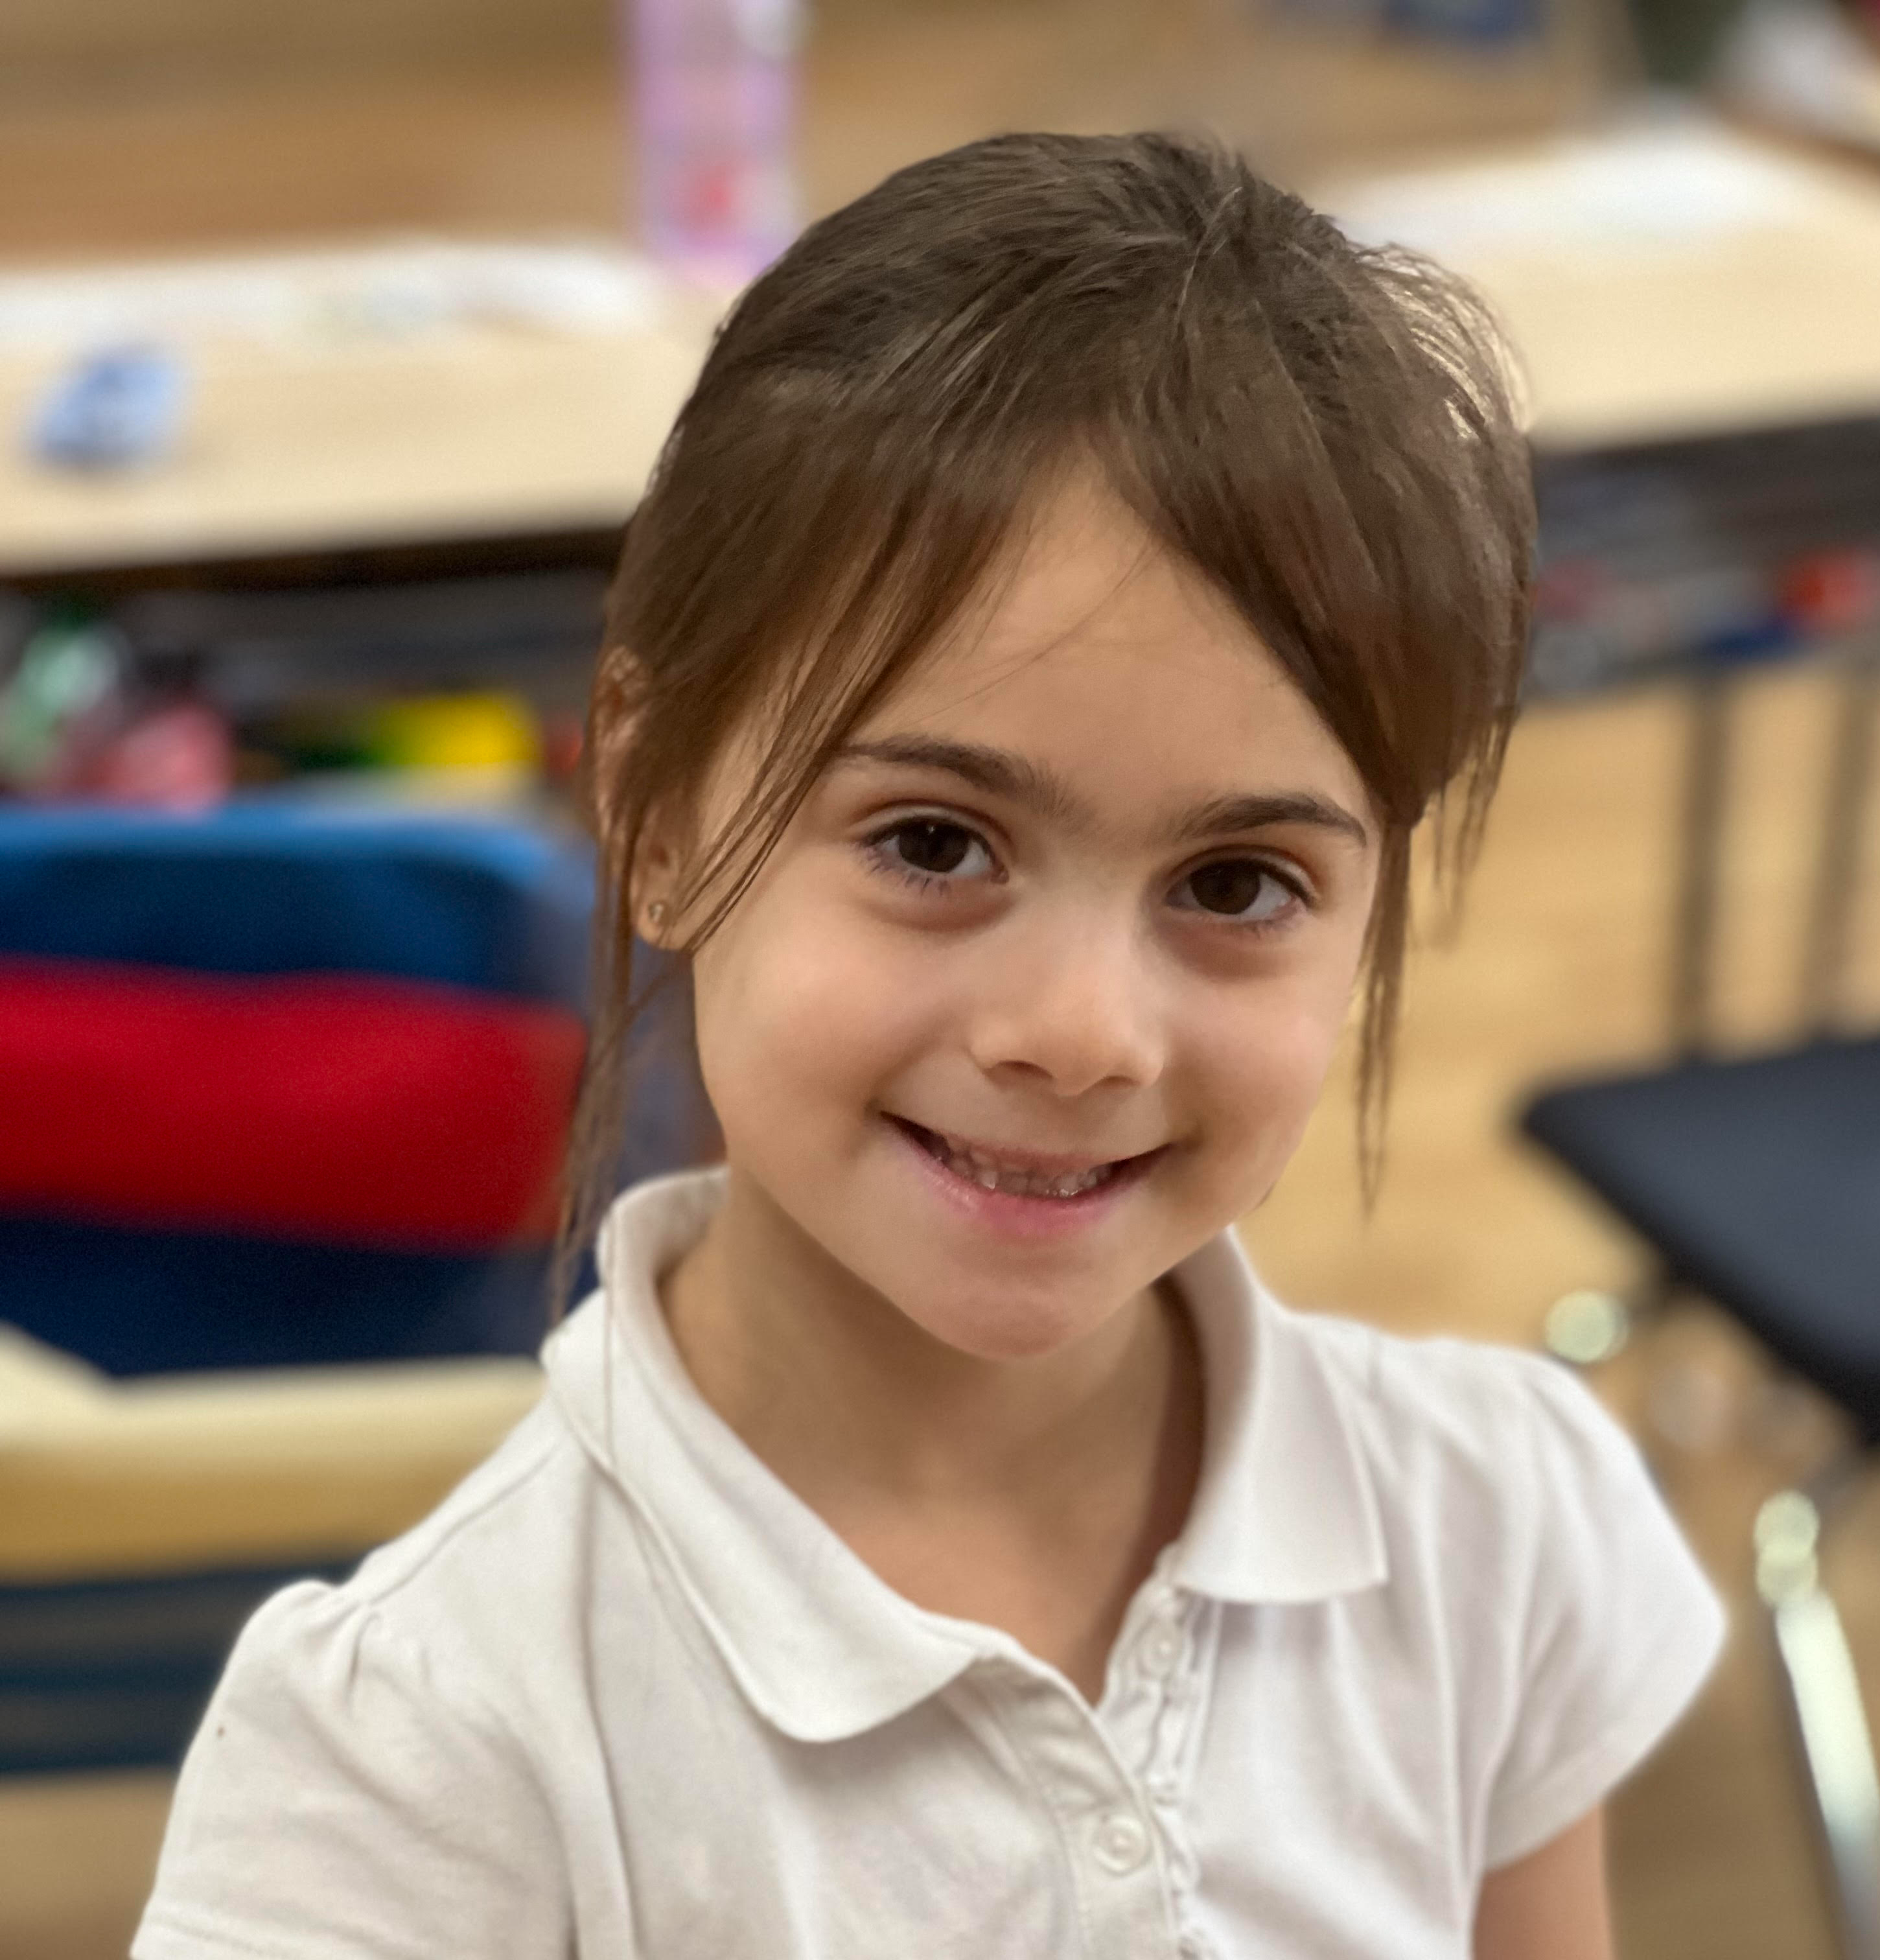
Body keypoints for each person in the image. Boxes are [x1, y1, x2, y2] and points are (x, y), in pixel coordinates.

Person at [134, 132, 1723, 1960]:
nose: (1080, 1034)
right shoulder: (402, 1770)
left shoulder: (1493, 1517)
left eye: (1239, 879)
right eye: (932, 845)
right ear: (652, 806)